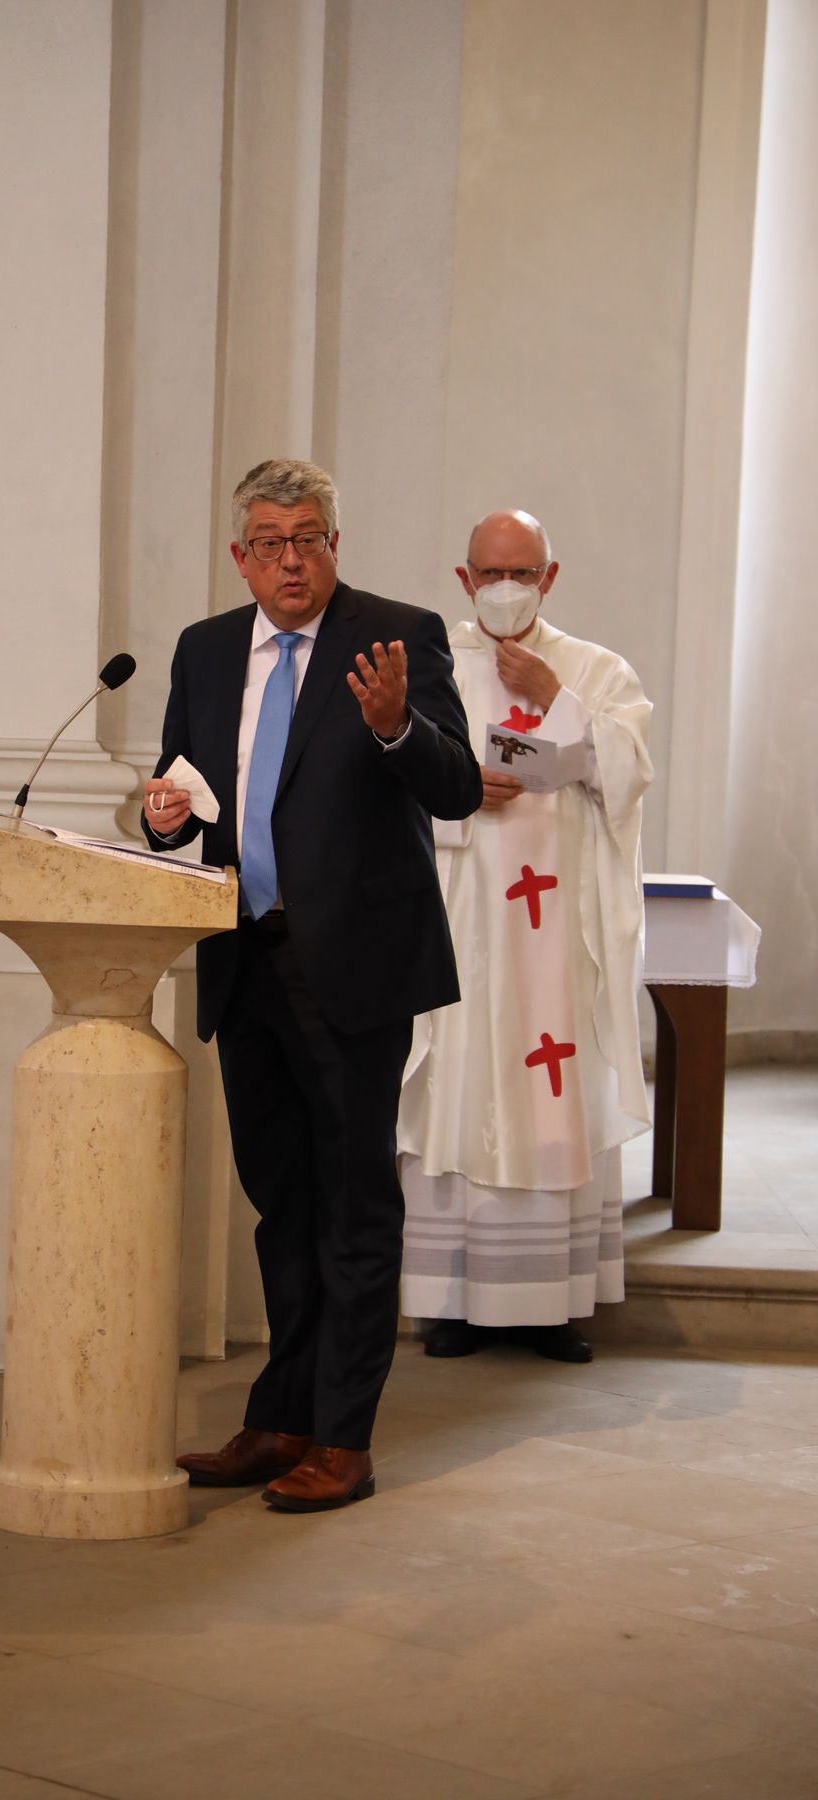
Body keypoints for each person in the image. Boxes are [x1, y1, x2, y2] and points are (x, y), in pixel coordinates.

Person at [142, 459, 480, 1511]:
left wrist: (394, 726)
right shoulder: (204, 651)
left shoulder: (398, 635)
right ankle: (281, 1418)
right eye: (271, 541)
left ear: (336, 545)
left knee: (353, 1206)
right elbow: (187, 789)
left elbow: (458, 786)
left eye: (312, 538)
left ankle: (344, 1436)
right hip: (246, 960)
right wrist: (163, 818)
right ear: (241, 556)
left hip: (354, 968)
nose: (293, 558)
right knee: (280, 1204)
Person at [397, 509, 653, 1363]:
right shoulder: (432, 668)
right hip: (467, 920)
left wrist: (555, 700)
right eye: (490, 573)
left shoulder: (594, 669)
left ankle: (549, 1304)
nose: (507, 588)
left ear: (549, 576)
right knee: (461, 1084)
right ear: (465, 580)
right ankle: (451, 1302)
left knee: (551, 1092)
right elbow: (389, 783)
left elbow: (629, 772)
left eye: (524, 572)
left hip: (555, 938)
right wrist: (459, 789)